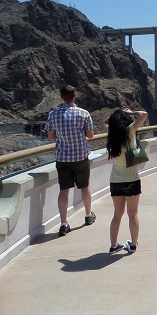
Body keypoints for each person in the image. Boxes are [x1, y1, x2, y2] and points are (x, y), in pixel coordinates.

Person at [44, 85, 96, 237]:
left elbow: (51, 137)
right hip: (81, 157)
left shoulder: (53, 114)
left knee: (64, 190)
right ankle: (88, 215)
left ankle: (64, 223)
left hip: (63, 158)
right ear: (74, 97)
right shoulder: (83, 113)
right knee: (84, 187)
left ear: (62, 97)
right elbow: (91, 135)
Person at [104, 107, 147, 254]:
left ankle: (113, 245)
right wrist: (129, 112)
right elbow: (144, 114)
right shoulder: (129, 131)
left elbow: (106, 121)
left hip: (115, 181)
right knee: (133, 214)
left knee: (117, 214)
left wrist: (117, 114)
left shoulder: (111, 134)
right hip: (131, 180)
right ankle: (133, 245)